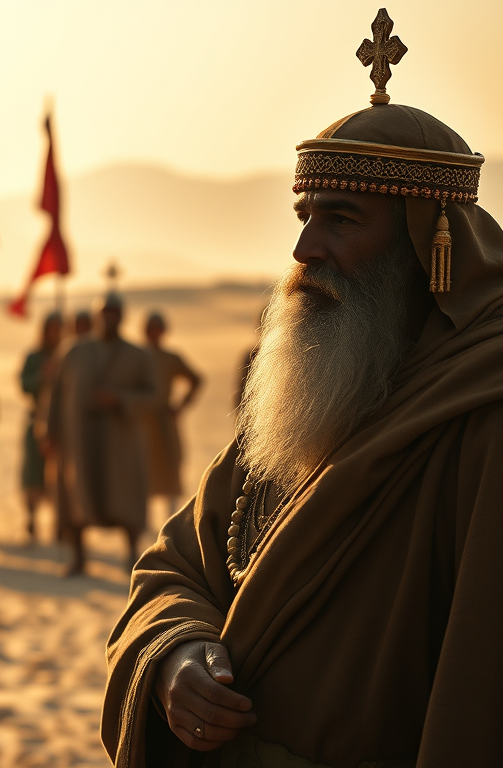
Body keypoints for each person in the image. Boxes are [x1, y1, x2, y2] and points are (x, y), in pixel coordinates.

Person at [102, 12, 503, 767]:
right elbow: (177, 563)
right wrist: (177, 658)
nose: (303, 249)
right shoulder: (313, 393)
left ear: (429, 243)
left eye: (340, 219)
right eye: (303, 215)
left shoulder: (483, 414)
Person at [46, 292, 157, 575]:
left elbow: (154, 396)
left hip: (120, 440)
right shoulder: (74, 351)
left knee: (124, 495)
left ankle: (131, 552)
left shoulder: (137, 355)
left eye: (114, 311)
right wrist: (49, 431)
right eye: (105, 311)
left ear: (122, 315)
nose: (109, 317)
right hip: (79, 438)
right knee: (77, 496)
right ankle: (79, 557)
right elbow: (55, 395)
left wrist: (120, 399)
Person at [142, 311, 202, 522]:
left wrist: (180, 406)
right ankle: (143, 520)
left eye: (158, 329)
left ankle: (170, 520)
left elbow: (196, 379)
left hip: (165, 422)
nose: (154, 334)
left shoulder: (170, 358)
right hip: (142, 422)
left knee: (170, 467)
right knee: (143, 469)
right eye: (151, 329)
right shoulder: (136, 357)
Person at [19, 311, 63, 541]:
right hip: (37, 419)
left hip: (62, 424)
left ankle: (60, 523)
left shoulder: (67, 355)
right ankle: (31, 518)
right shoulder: (35, 357)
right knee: (33, 475)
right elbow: (25, 385)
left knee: (60, 475)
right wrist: (42, 375)